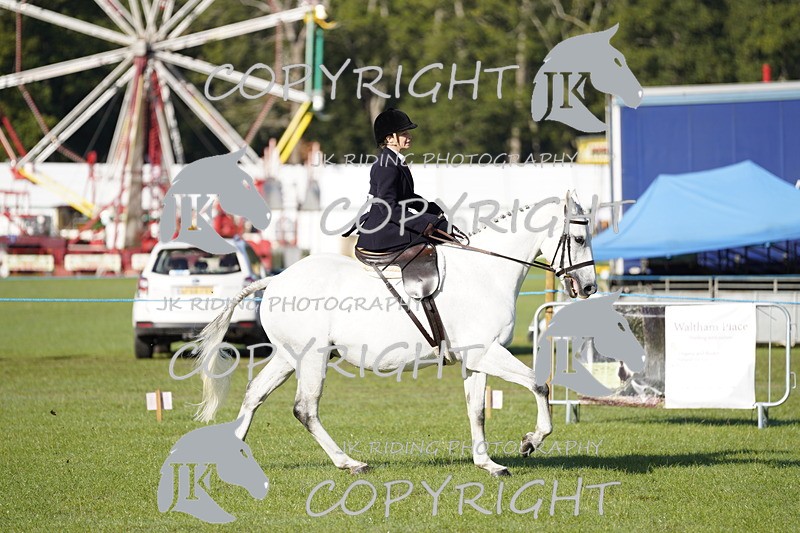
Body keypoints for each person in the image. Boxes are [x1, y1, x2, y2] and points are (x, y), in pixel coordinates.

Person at [346, 108, 453, 252]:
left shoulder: (394, 160)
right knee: (440, 227)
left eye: (408, 133)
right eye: (404, 134)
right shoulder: (386, 165)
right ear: (389, 138)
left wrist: (430, 208)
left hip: (392, 224)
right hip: (384, 230)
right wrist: (421, 224)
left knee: (439, 222)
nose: (409, 136)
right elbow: (387, 206)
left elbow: (406, 197)